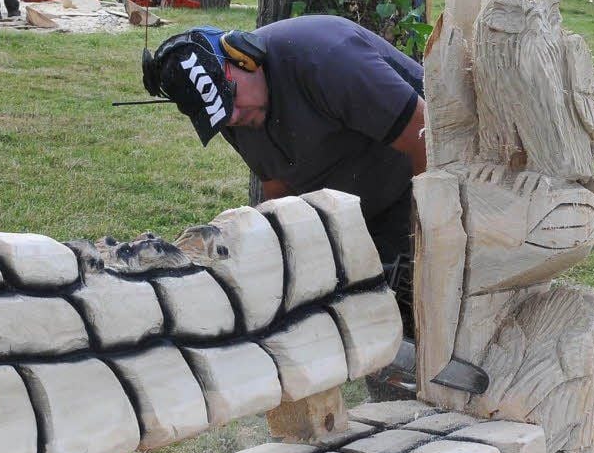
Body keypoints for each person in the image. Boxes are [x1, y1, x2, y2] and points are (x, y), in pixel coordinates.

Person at [141, 17, 426, 278]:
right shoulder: (233, 114)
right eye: (219, 115)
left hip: (411, 183)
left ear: (244, 56)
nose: (234, 117)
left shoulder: (328, 61)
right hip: (349, 211)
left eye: (232, 98)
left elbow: (427, 139)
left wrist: (425, 235)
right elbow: (278, 187)